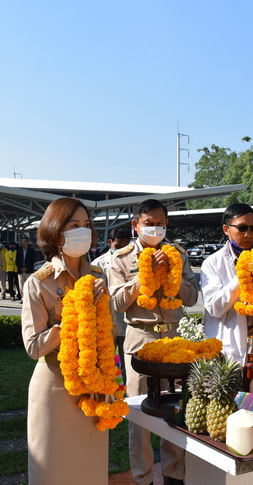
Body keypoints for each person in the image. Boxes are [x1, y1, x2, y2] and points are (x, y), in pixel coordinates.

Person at [109, 199, 198, 485]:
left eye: (160, 223)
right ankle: (143, 477)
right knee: (138, 412)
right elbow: (117, 303)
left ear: (167, 224)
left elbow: (193, 297)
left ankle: (174, 473)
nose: (155, 229)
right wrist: (141, 281)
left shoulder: (178, 254)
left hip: (172, 337)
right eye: (149, 224)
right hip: (140, 338)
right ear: (136, 225)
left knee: (174, 408)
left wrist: (169, 274)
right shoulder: (121, 258)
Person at [21, 197, 109, 484]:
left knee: (90, 469)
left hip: (93, 386)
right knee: (54, 469)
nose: (82, 231)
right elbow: (33, 346)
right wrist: (74, 315)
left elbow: (108, 332)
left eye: (86, 225)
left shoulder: (98, 276)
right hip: (55, 388)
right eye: (74, 225)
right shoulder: (39, 281)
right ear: (56, 231)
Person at [201, 203, 253, 366]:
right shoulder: (212, 263)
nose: (248, 234)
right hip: (227, 345)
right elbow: (215, 308)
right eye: (242, 228)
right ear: (226, 229)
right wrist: (242, 276)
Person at [91, 225, 132, 379]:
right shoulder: (98, 265)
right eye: (118, 246)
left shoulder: (133, 262)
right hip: (105, 324)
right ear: (110, 242)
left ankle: (127, 397)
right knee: (104, 365)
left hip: (126, 322)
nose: (122, 250)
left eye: (126, 246)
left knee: (128, 365)